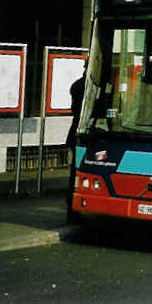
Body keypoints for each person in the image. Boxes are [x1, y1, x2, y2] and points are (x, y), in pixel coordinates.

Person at [65, 67, 86, 223]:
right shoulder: (88, 86)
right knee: (78, 172)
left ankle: (72, 209)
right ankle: (73, 210)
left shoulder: (77, 84)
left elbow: (74, 109)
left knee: (75, 172)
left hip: (75, 134)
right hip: (83, 137)